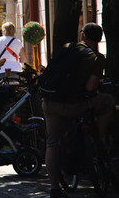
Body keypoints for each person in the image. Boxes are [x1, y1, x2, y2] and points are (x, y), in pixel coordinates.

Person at [44, 23, 115, 198]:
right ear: (99, 39)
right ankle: (97, 137)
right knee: (108, 102)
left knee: (51, 143)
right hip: (74, 105)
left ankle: (55, 189)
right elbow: (91, 87)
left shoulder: (67, 47)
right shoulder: (97, 58)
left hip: (50, 101)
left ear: (82, 35)